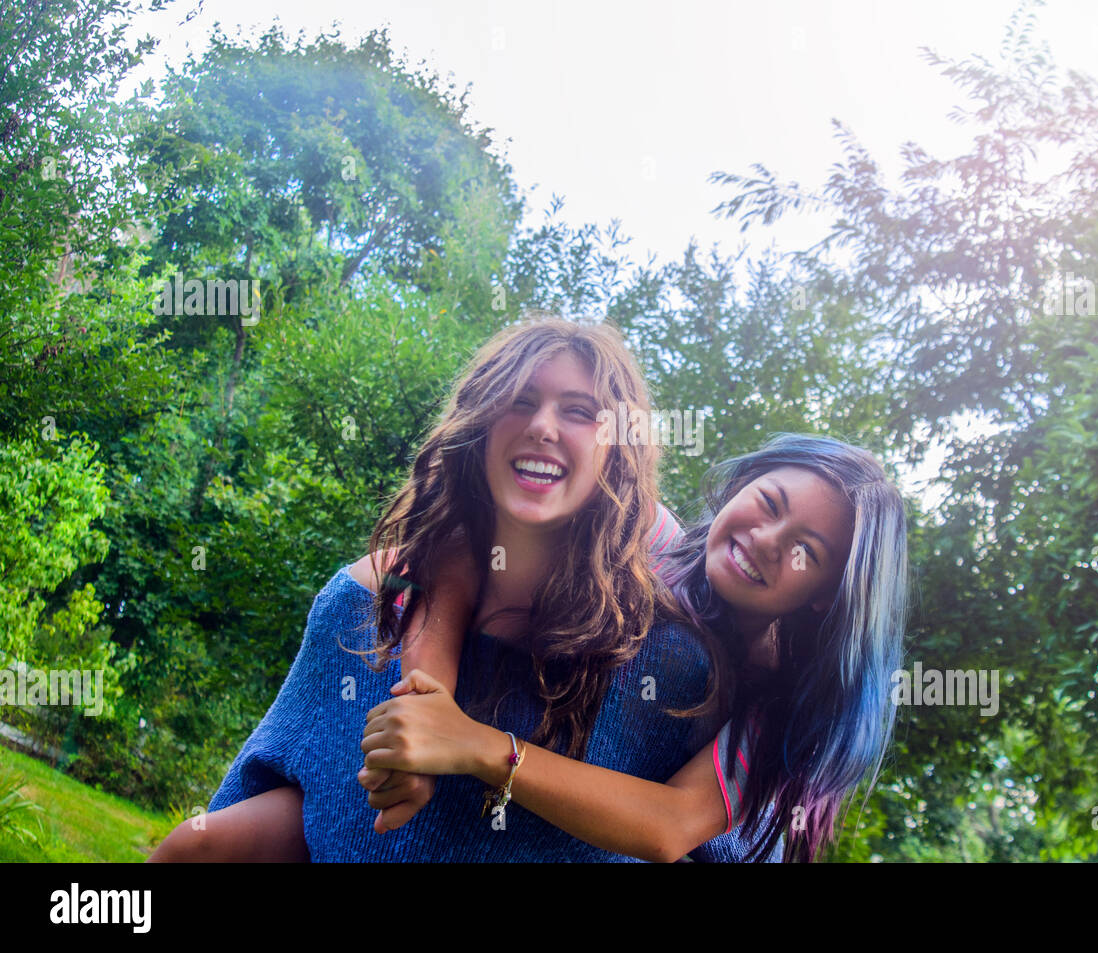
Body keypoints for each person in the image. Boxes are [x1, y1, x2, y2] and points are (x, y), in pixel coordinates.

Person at [149, 315, 757, 862]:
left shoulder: (668, 664)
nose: (543, 426)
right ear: (480, 425)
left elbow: (689, 834)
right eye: (519, 401)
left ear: (617, 449)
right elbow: (277, 797)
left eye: (579, 411)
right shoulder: (364, 599)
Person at [360, 433, 909, 862]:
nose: (767, 540)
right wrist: (425, 703)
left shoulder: (780, 701)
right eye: (769, 502)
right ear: (742, 484)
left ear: (825, 597)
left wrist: (477, 746)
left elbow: (670, 825)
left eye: (805, 552)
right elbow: (460, 544)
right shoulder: (644, 534)